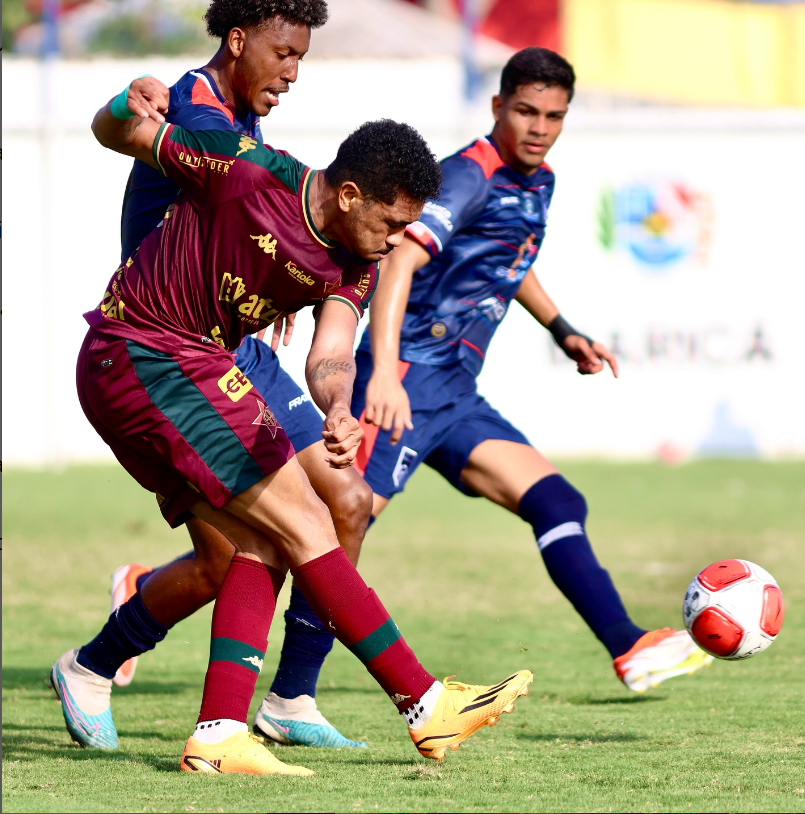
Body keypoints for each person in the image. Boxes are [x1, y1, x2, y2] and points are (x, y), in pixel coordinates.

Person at [50, 76, 533, 775]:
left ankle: (217, 733)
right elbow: (117, 133)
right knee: (309, 514)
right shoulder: (243, 169)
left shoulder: (356, 262)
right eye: (392, 223)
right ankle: (424, 704)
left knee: (256, 544)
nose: (399, 241)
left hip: (188, 366)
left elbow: (332, 352)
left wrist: (338, 404)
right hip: (142, 351)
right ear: (347, 195)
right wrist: (125, 103)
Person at [350, 46, 714, 694]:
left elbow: (504, 264)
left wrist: (562, 327)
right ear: (498, 107)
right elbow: (398, 263)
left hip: (454, 393)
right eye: (525, 111)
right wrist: (381, 373)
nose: (539, 128)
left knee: (555, 500)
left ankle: (629, 647)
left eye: (554, 115)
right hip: (404, 381)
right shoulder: (467, 176)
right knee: (327, 536)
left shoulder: (538, 181)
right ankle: (182, 624)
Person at [74, 0, 370, 750]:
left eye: (303, 57)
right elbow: (122, 128)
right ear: (238, 41)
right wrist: (129, 95)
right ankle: (98, 663)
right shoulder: (198, 110)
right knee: (228, 558)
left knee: (349, 500)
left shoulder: (239, 115)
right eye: (284, 53)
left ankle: (292, 695)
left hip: (233, 348)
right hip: (172, 353)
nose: (294, 72)